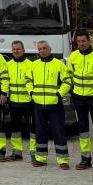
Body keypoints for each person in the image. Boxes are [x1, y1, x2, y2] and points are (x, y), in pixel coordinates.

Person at [28, 40, 71, 169]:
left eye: (44, 48)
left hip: (55, 105)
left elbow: (67, 81)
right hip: (39, 105)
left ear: (50, 49)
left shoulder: (59, 65)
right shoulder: (34, 65)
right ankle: (40, 158)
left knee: (59, 132)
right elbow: (28, 81)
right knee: (40, 132)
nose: (42, 51)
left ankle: (63, 160)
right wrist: (31, 93)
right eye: (40, 49)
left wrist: (59, 94)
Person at [68, 32, 93, 171]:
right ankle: (85, 159)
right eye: (79, 41)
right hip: (78, 98)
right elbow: (69, 75)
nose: (81, 43)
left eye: (84, 40)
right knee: (82, 129)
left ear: (89, 41)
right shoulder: (73, 56)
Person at [4, 40, 34, 162]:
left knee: (32, 128)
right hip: (13, 102)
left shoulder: (31, 64)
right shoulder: (8, 65)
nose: (16, 51)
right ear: (11, 51)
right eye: (14, 49)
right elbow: (5, 82)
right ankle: (17, 152)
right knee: (15, 128)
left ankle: (34, 153)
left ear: (23, 50)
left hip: (28, 102)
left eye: (18, 49)